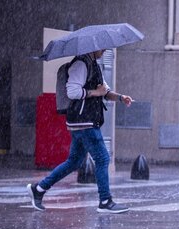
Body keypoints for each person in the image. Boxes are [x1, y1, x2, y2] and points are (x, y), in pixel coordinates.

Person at [27, 49, 133, 213]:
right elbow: (73, 92)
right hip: (83, 121)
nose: (104, 51)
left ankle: (39, 189)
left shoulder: (94, 65)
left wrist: (120, 97)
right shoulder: (80, 64)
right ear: (93, 47)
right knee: (103, 158)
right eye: (102, 48)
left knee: (74, 162)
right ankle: (105, 201)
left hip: (86, 121)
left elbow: (104, 92)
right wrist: (95, 92)